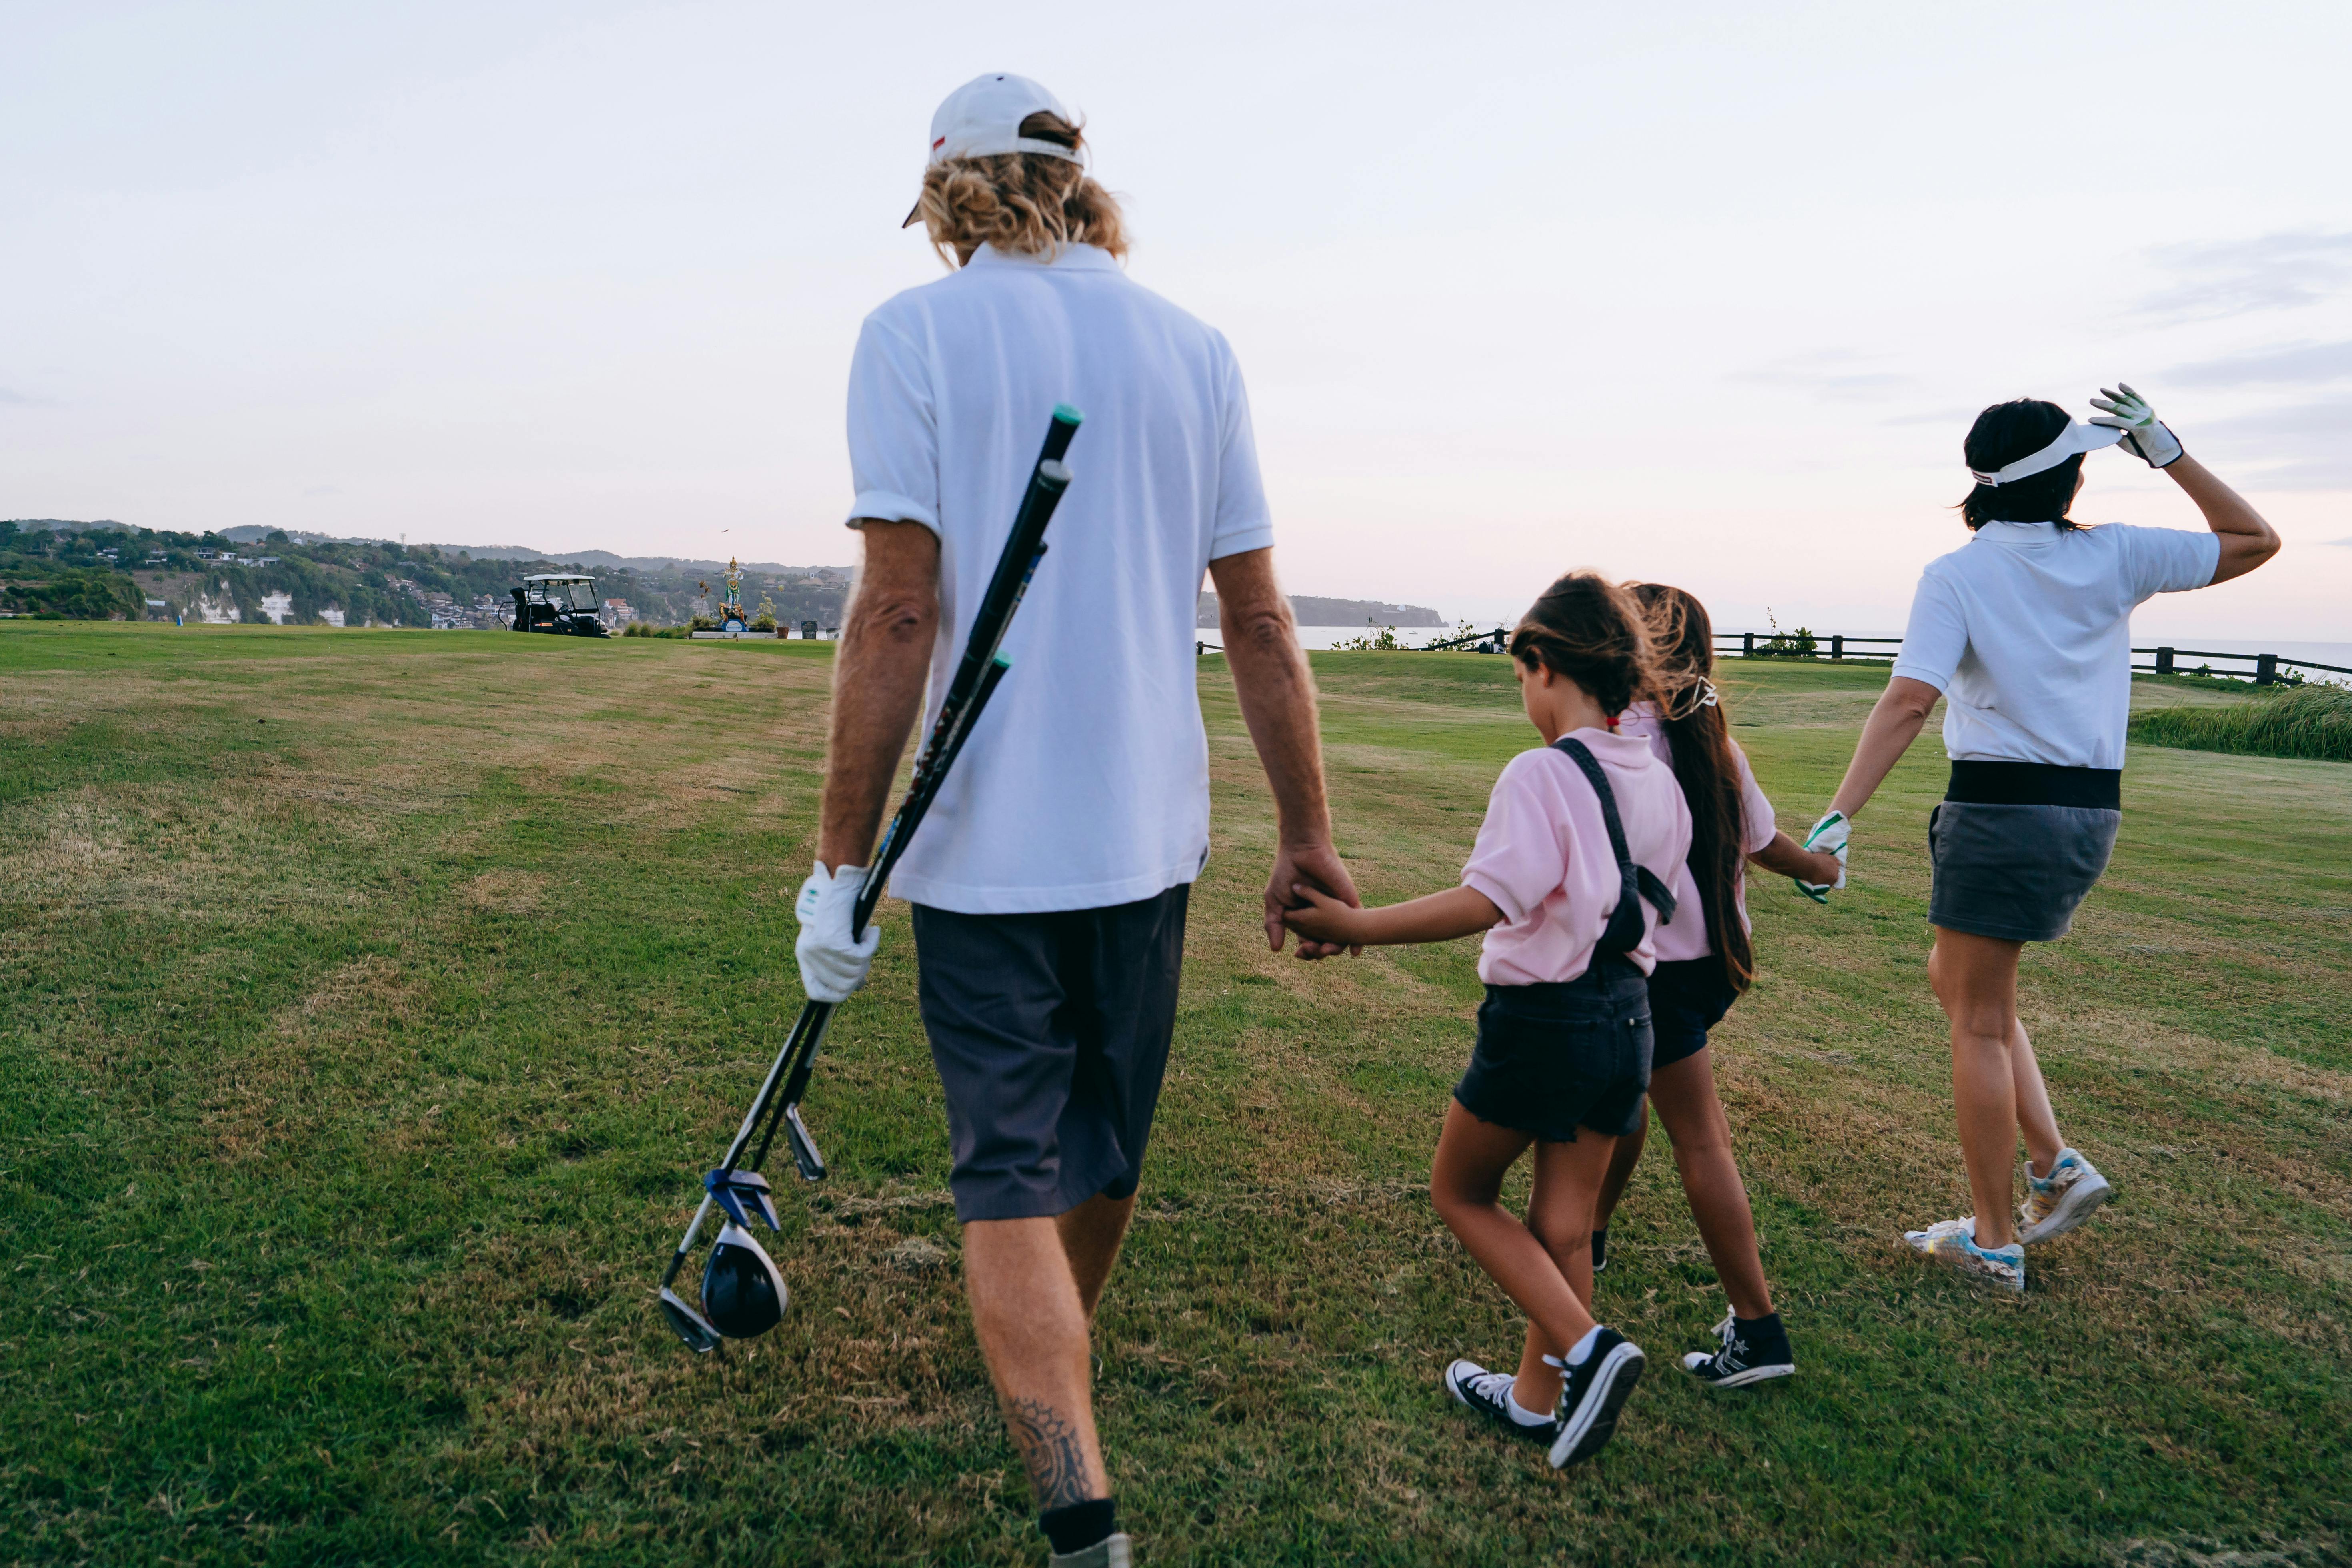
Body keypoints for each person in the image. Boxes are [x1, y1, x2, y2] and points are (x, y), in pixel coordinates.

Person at [791, 74, 1360, 1568]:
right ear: (1078, 183)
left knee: (1008, 1173)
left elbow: (898, 606)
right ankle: (1053, 1360)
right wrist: (1305, 827)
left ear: (946, 192)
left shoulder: (911, 334)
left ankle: (1077, 1506)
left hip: (984, 852)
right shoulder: (1194, 346)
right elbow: (1260, 620)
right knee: (1097, 1156)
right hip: (1149, 842)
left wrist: (839, 864)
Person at [1816, 386, 2280, 1292]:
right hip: (2085, 814)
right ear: (2068, 476)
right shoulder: (2113, 553)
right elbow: (2254, 540)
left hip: (2001, 812)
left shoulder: (1958, 572)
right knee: (1958, 984)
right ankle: (2055, 1164)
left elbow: (1910, 699)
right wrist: (2165, 449)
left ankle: (1996, 1236)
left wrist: (1839, 813)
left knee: (1978, 1019)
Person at [1283, 571, 1688, 1469]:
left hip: (1543, 1023)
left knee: (1460, 1192)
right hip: (1629, 1020)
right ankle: (1538, 1402)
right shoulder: (1658, 781)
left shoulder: (1541, 772)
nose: (1523, 699)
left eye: (1519, 678)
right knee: (1564, 1228)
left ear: (1543, 662)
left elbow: (1484, 900)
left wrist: (1356, 926)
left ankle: (1588, 1347)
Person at [1585, 583, 1843, 1387]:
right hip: (1709, 971)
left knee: (1695, 1136)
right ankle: (1589, 1229)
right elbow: (1762, 842)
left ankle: (1759, 1329)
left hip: (1648, 972)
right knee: (1628, 1099)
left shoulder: (1610, 741)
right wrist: (1820, 867)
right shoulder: (1711, 742)